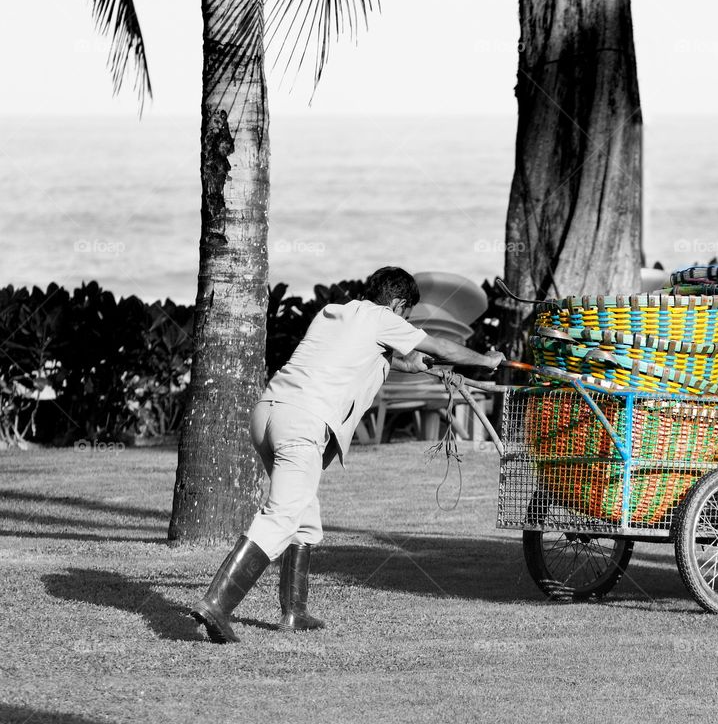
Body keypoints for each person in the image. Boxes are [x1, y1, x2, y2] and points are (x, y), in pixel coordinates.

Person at [190, 266, 505, 643]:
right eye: (406, 316)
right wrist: (486, 361)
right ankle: (217, 604)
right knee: (282, 516)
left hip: (269, 412)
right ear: (398, 304)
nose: (404, 323)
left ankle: (295, 612)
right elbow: (439, 346)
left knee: (305, 516)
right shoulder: (381, 317)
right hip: (302, 422)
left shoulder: (334, 314)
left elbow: (361, 357)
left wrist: (411, 365)